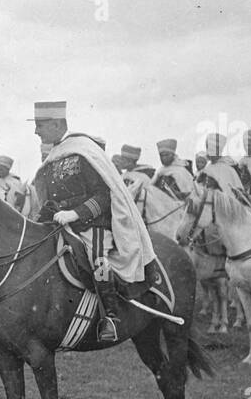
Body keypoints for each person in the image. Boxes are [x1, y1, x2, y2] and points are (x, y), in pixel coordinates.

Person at [29, 100, 158, 342]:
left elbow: (105, 194)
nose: (36, 131)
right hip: (60, 225)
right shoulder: (53, 157)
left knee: (97, 259)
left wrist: (75, 214)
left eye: (40, 125)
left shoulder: (83, 152)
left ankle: (110, 317)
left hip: (93, 224)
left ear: (57, 124)